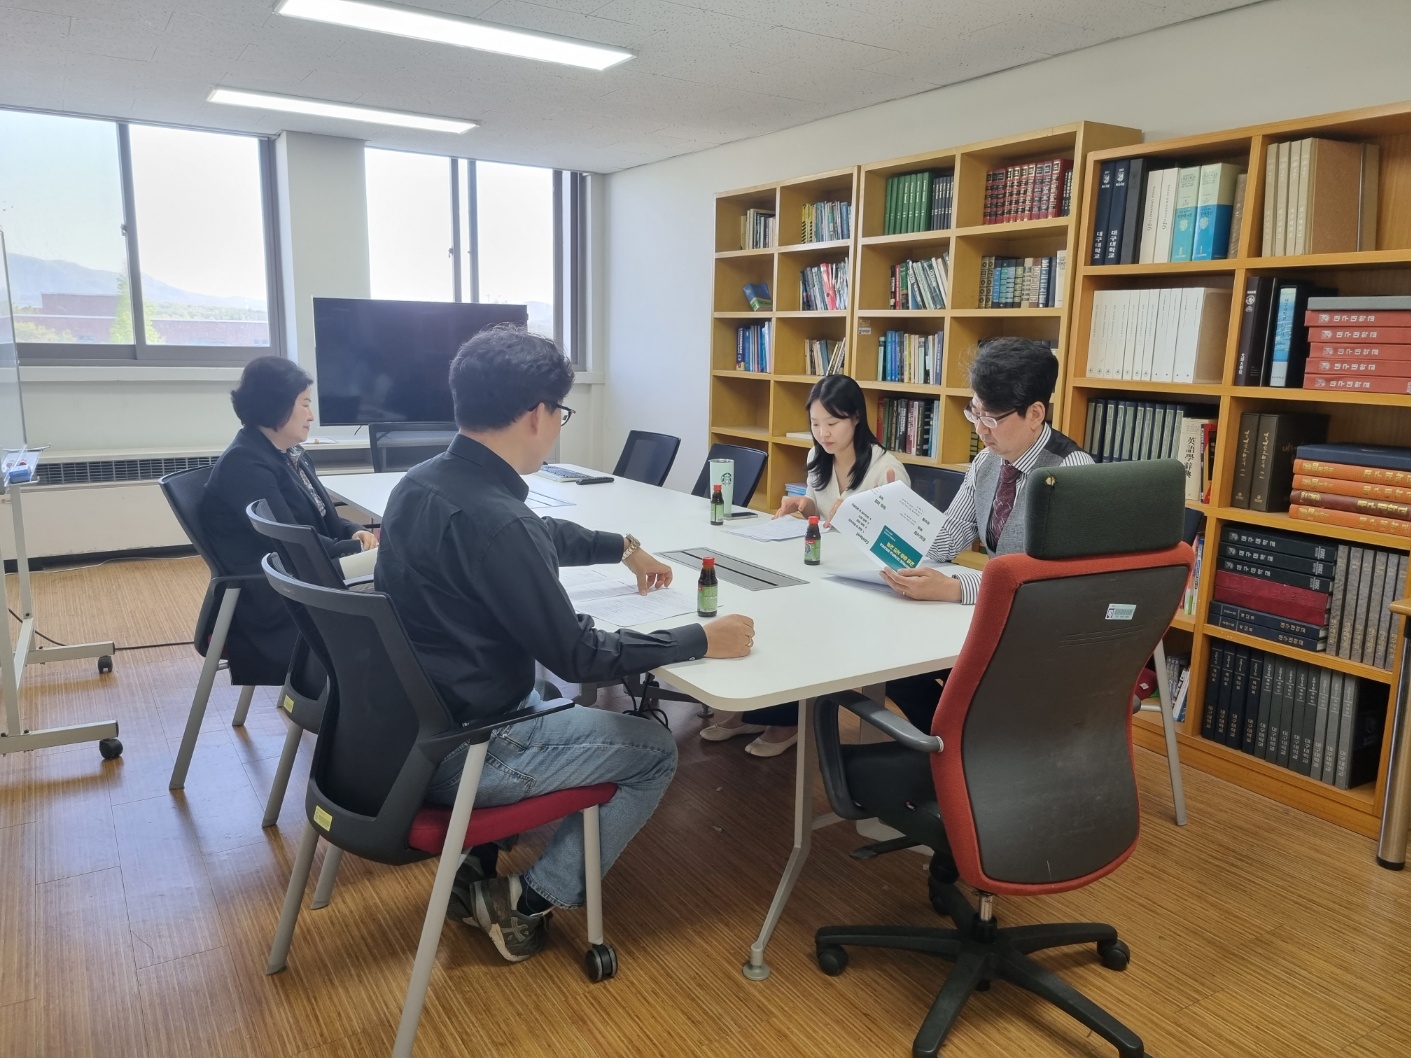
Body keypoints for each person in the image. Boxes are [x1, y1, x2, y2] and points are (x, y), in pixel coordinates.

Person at [374, 323, 755, 963]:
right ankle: (525, 900)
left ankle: (477, 862)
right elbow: (580, 656)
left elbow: (536, 533)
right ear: (536, 414)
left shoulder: (421, 483)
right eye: (560, 412)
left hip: (405, 731)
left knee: (541, 692)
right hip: (463, 748)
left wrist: (622, 546)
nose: (557, 426)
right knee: (653, 751)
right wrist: (700, 638)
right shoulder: (501, 523)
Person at [882, 336, 1093, 728]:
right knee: (890, 662)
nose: (981, 429)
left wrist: (955, 588)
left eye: (992, 419)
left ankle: (969, 740)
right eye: (975, 413)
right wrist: (892, 511)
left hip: (1042, 637)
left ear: (1035, 413)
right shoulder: (987, 462)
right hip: (996, 621)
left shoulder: (1071, 475)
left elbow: (1045, 583)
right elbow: (947, 540)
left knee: (907, 668)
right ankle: (961, 741)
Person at [700, 374, 910, 756]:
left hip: (865, 583)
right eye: (815, 424)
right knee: (770, 609)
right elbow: (821, 511)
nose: (823, 433)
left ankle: (787, 719)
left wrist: (874, 514)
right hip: (824, 569)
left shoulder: (886, 470)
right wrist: (804, 505)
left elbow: (903, 544)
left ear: (856, 418)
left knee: (798, 625)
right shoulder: (818, 457)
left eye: (833, 423)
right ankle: (760, 710)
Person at [201, 356, 377, 687]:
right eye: (305, 404)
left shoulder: (288, 454)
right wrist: (353, 549)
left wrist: (353, 530)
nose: (311, 415)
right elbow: (290, 541)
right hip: (281, 593)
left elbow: (320, 517)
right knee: (403, 574)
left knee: (401, 569)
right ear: (276, 405)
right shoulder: (246, 464)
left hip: (306, 572)